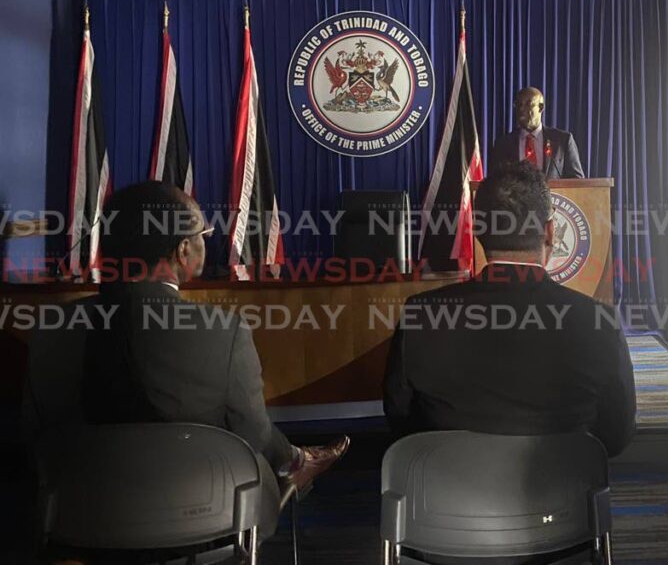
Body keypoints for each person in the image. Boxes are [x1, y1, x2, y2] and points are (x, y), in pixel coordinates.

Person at [22, 181, 349, 544]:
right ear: (182, 251)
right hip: (205, 525)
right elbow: (254, 434)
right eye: (203, 234)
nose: (206, 241)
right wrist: (295, 459)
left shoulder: (52, 329)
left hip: (76, 522)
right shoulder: (225, 332)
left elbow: (36, 433)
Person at [384, 162, 635, 458]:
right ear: (551, 232)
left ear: (477, 230)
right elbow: (616, 436)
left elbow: (401, 422)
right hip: (562, 496)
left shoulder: (420, 316)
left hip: (449, 495)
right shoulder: (599, 321)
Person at [489, 86, 585, 179]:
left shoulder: (562, 140)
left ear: (540, 107)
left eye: (528, 104)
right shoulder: (503, 144)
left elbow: (577, 182)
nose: (521, 109)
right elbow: (495, 182)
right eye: (518, 104)